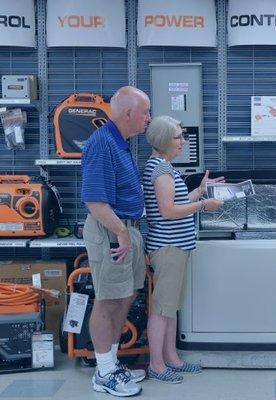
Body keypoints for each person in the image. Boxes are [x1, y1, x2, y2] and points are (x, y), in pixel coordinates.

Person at [142, 116, 224, 383]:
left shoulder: (164, 167)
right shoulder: (161, 171)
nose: (183, 142)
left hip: (176, 247)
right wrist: (203, 206)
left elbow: (175, 202)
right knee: (163, 309)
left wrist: (199, 193)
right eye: (178, 137)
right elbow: (168, 212)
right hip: (169, 247)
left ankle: (172, 359)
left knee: (171, 307)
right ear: (164, 140)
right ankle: (157, 365)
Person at [81, 86, 151, 396]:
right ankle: (104, 371)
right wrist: (121, 234)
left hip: (127, 228)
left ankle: (110, 363)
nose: (149, 118)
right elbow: (95, 202)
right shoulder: (101, 144)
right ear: (128, 114)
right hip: (110, 229)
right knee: (108, 299)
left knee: (125, 296)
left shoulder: (119, 142)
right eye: (145, 112)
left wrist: (129, 232)